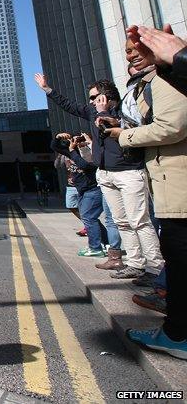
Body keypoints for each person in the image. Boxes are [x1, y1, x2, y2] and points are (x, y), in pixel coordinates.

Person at [105, 25, 187, 360]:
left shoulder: (165, 80)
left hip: (177, 181)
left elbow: (171, 126)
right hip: (169, 179)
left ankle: (177, 334)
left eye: (139, 47)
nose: (133, 54)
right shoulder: (158, 80)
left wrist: (123, 137)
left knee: (177, 254)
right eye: (127, 50)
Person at [35, 73, 162, 280]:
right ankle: (135, 263)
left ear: (108, 97)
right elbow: (68, 105)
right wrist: (47, 89)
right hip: (106, 173)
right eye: (91, 98)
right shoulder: (92, 113)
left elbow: (130, 131)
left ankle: (155, 268)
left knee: (139, 221)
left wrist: (106, 113)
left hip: (128, 172)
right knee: (122, 222)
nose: (92, 102)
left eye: (95, 97)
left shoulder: (123, 112)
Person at [51, 133, 108, 257]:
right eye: (73, 140)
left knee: (88, 217)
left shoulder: (90, 153)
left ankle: (95, 248)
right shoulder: (72, 152)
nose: (75, 142)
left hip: (93, 190)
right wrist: (57, 137)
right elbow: (55, 147)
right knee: (90, 218)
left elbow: (84, 165)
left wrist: (73, 150)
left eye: (78, 140)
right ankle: (106, 243)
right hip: (83, 191)